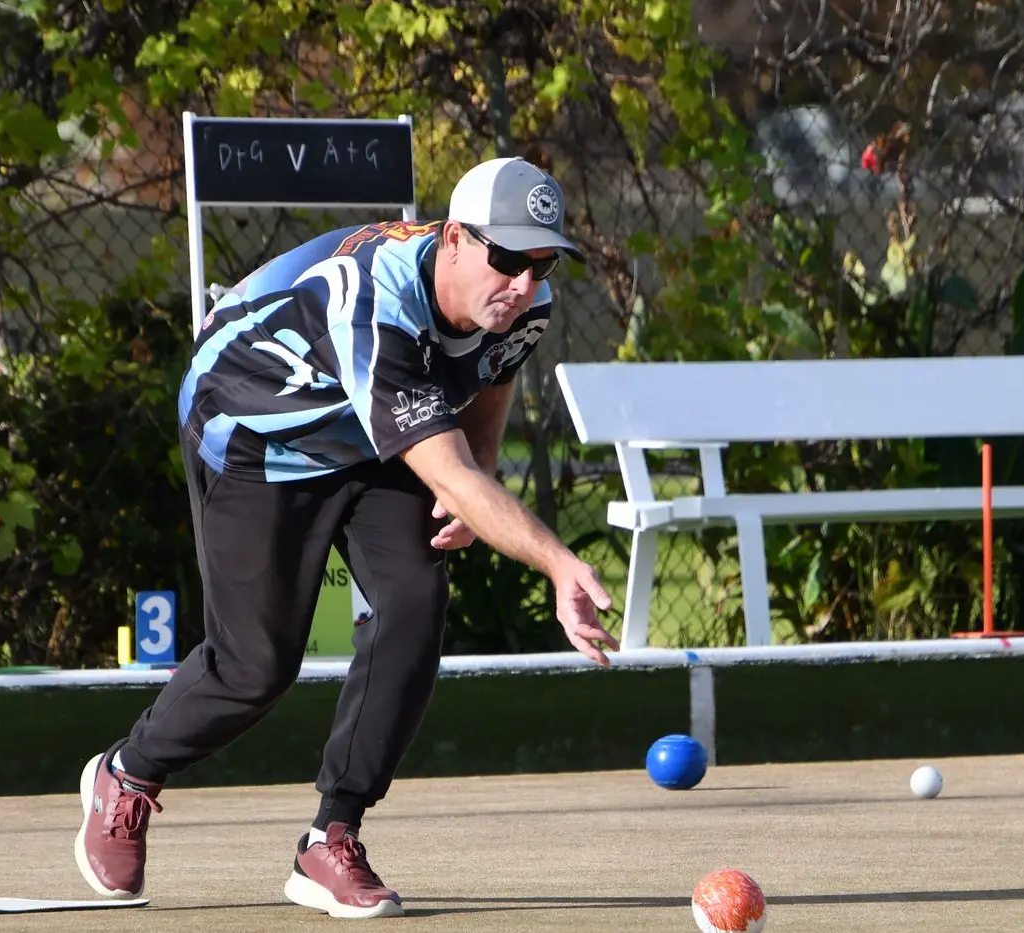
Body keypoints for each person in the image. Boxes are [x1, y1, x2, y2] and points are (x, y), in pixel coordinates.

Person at [74, 156, 619, 918]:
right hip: (256, 424)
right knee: (256, 664)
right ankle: (125, 775)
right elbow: (451, 473)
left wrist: (483, 470)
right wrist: (557, 561)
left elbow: (492, 380)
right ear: (456, 238)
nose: (526, 283)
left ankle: (331, 834)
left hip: (370, 432)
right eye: (507, 260)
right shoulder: (377, 301)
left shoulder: (524, 302)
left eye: (542, 263)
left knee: (413, 598)